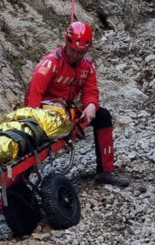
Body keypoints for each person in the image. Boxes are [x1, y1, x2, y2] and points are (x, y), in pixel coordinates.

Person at [24, 21, 130, 187]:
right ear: (66, 43)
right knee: (27, 146)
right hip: (44, 111)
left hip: (67, 111)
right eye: (73, 50)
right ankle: (11, 195)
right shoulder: (50, 63)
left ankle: (106, 170)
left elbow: (91, 91)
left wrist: (91, 105)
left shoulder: (87, 66)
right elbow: (34, 94)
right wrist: (31, 122)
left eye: (80, 52)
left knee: (102, 116)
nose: (75, 55)